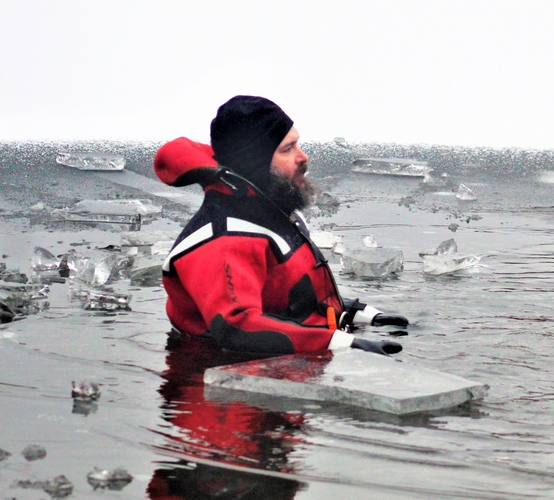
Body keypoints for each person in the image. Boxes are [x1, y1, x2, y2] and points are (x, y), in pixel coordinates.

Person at [154, 95, 406, 356]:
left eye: (298, 144)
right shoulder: (222, 241)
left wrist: (360, 315)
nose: (303, 156)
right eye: (288, 149)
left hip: (291, 372)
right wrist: (343, 343)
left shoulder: (270, 211)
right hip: (227, 384)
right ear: (254, 163)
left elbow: (292, 301)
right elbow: (237, 328)